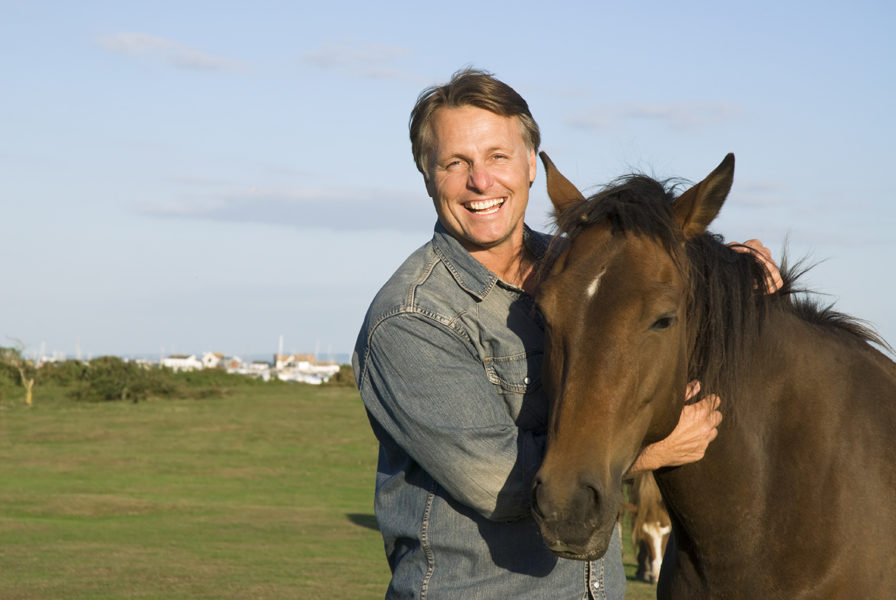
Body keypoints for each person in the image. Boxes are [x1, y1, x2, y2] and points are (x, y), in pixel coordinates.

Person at [352, 68, 780, 599]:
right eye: (455, 163)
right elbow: (496, 482)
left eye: (497, 157)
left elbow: (651, 300)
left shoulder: (583, 277)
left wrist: (737, 269)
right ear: (426, 175)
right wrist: (655, 451)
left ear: (532, 165)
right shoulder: (411, 319)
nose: (480, 182)